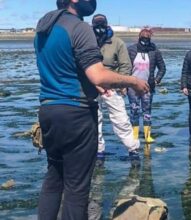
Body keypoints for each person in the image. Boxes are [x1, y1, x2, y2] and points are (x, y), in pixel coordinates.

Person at [35, 1, 149, 219]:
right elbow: (98, 74)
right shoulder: (79, 28)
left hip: (49, 110)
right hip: (76, 113)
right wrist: (133, 81)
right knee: (77, 188)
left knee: (54, 179)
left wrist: (91, 84)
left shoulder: (44, 27)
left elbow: (64, 67)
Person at [92, 14, 140, 162]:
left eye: (102, 25)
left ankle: (133, 149)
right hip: (91, 86)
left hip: (112, 87)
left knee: (120, 119)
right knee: (94, 119)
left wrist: (120, 84)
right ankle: (98, 150)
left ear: (107, 25)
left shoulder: (117, 42)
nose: (99, 29)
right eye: (96, 26)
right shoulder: (87, 41)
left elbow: (125, 65)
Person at [127, 28, 166, 143]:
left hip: (148, 87)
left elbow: (162, 68)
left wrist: (156, 80)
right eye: (143, 38)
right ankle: (134, 136)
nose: (145, 40)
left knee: (147, 110)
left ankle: (147, 135)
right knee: (134, 110)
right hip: (132, 87)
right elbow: (125, 68)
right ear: (139, 38)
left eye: (147, 38)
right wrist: (125, 84)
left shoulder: (154, 51)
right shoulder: (131, 50)